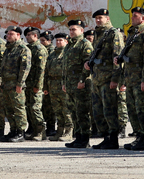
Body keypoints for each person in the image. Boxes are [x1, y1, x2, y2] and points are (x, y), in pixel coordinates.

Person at [116, 7, 144, 151]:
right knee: (132, 110)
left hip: (140, 79)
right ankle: (139, 136)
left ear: (143, 19)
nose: (132, 18)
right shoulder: (133, 34)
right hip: (130, 79)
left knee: (142, 110)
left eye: (135, 16)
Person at [86, 8, 125, 149]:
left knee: (109, 110)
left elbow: (118, 57)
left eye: (100, 18)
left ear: (107, 18)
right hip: (97, 78)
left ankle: (113, 138)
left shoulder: (113, 34)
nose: (98, 20)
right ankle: (106, 137)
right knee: (98, 111)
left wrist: (115, 79)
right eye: (96, 18)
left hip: (108, 78)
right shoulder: (98, 34)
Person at [62, 20, 94, 149]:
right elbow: (65, 67)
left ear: (81, 30)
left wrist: (82, 80)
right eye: (70, 30)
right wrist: (64, 83)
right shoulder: (69, 46)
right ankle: (78, 137)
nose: (71, 32)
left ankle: (84, 139)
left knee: (82, 112)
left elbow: (87, 65)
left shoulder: (85, 45)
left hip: (81, 85)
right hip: (70, 85)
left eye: (74, 29)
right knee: (73, 112)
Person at [0, 26, 31, 142]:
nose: (8, 36)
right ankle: (13, 130)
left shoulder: (23, 49)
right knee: (9, 109)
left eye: (11, 34)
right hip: (6, 84)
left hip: (16, 84)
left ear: (18, 35)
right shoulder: (8, 49)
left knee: (18, 109)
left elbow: (25, 68)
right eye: (7, 34)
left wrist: (20, 83)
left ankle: (20, 132)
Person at [22, 26, 49, 141]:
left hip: (35, 84)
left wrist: (38, 86)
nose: (27, 37)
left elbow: (41, 70)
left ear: (36, 36)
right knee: (28, 107)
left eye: (30, 35)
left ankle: (41, 132)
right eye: (26, 35)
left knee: (35, 108)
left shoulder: (40, 49)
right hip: (27, 84)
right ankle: (33, 130)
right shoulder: (28, 48)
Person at [45, 32, 72, 141]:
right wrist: (45, 86)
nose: (58, 42)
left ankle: (69, 131)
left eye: (61, 40)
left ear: (66, 41)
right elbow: (46, 71)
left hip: (63, 84)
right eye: (57, 40)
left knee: (66, 109)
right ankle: (59, 131)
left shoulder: (68, 53)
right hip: (53, 85)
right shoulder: (52, 54)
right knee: (57, 109)